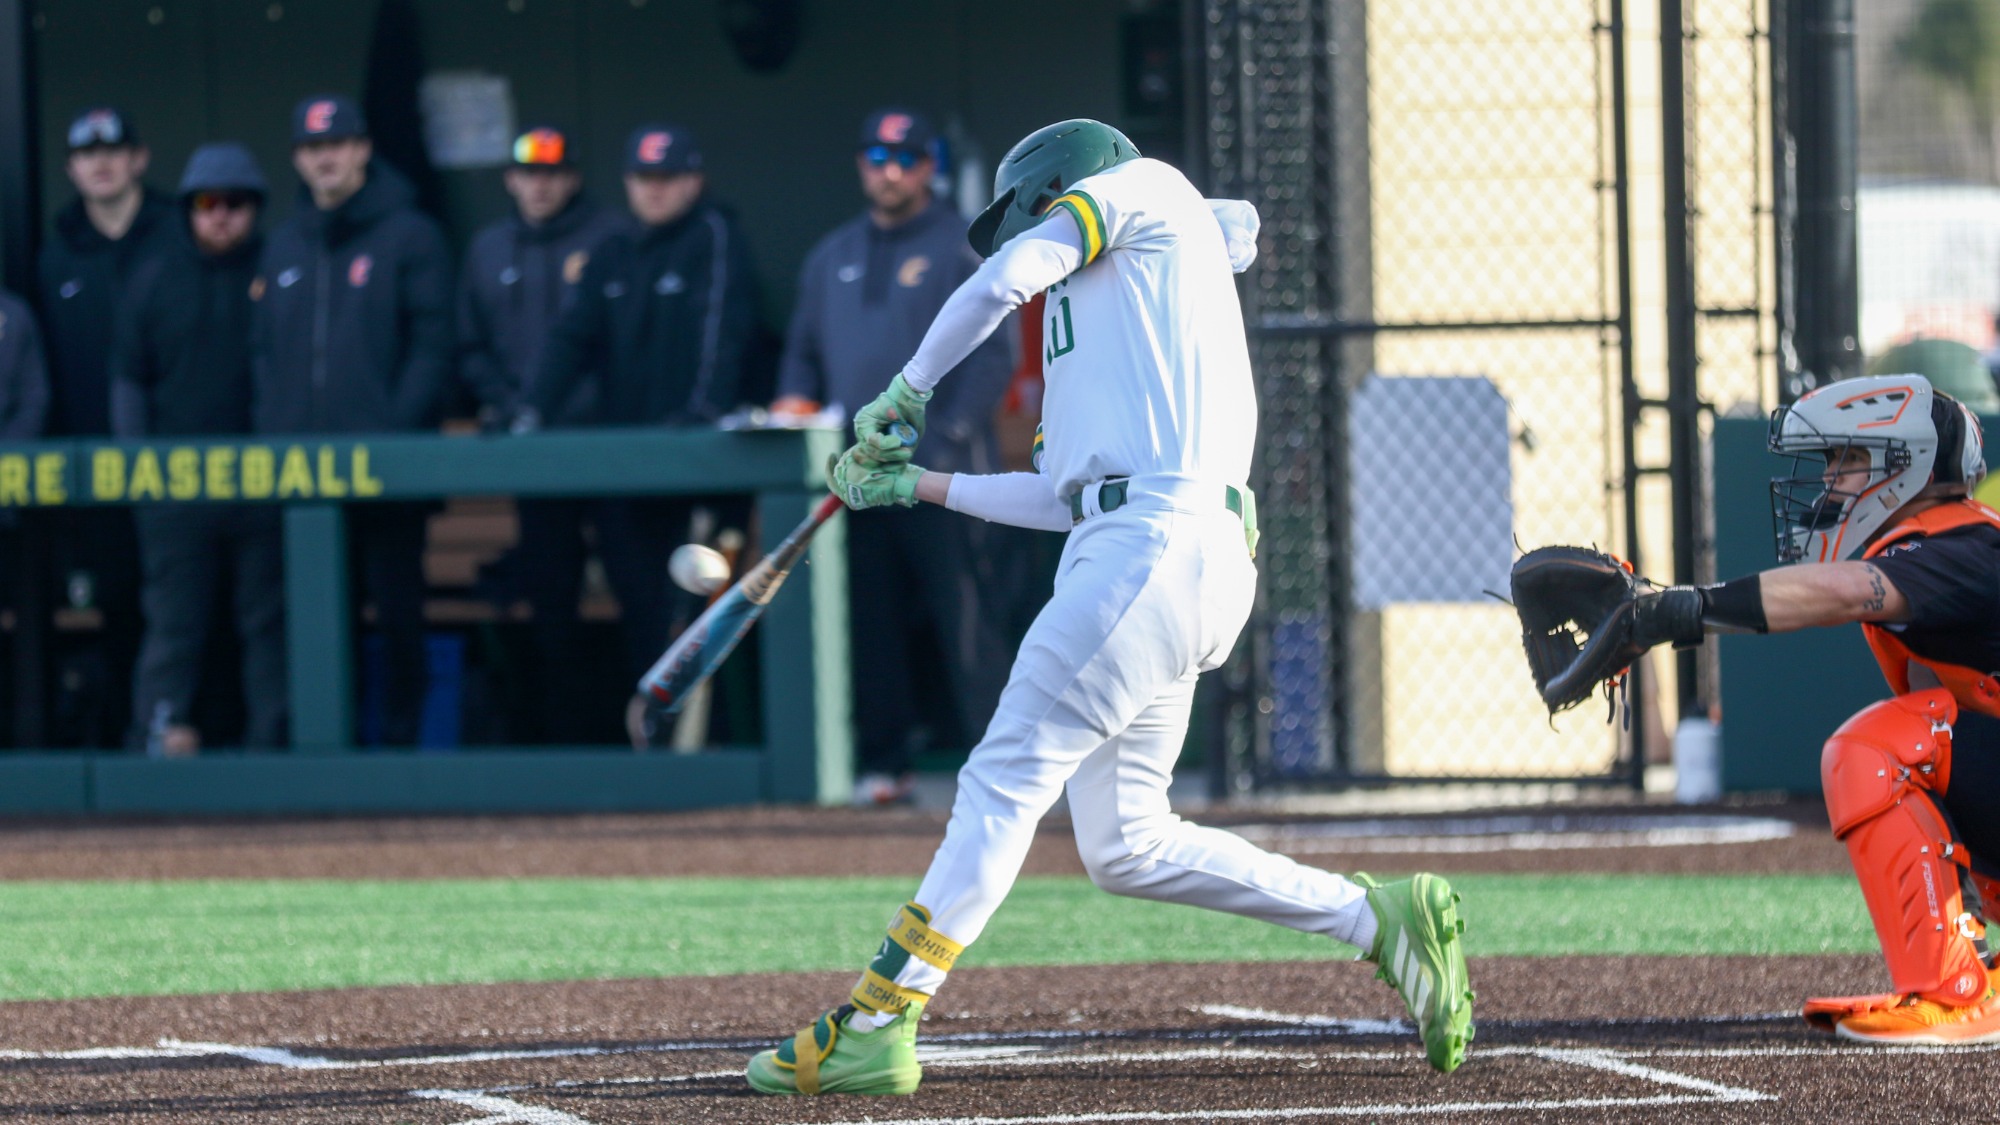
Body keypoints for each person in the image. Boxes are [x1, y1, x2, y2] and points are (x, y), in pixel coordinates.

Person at [745, 119, 1474, 1097]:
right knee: (1127, 843)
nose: (1024, 243)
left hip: (1154, 551)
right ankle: (1375, 919)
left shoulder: (1144, 190)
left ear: (1058, 186)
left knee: (1002, 778)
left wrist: (907, 387)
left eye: (1027, 219)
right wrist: (915, 484)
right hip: (1155, 554)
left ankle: (880, 1017)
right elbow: (1062, 495)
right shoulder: (1108, 312)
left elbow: (1001, 278)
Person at [1563, 372, 2000, 1044]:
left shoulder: (1963, 547)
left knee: (1872, 749)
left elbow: (1847, 590)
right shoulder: (1951, 547)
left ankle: (1953, 992)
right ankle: (1971, 970)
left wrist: (1686, 607)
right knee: (1937, 740)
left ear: (1904, 465)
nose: (1830, 482)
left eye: (1847, 460)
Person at [773, 108, 1016, 803]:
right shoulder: (831, 255)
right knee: (866, 621)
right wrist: (794, 405)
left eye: (905, 159)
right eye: (877, 157)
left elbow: (994, 355)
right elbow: (803, 355)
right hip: (860, 474)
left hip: (942, 472)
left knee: (965, 619)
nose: (889, 171)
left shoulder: (959, 246)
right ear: (860, 164)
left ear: (928, 167)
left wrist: (942, 442)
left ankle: (1005, 766)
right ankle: (884, 765)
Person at [523, 123, 760, 707]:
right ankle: (652, 736)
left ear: (694, 180)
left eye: (668, 177)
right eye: (644, 178)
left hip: (701, 469)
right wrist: (529, 407)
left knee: (699, 612)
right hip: (631, 467)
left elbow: (721, 336)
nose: (655, 191)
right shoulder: (614, 251)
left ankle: (708, 745)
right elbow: (570, 340)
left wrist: (702, 409)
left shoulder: (715, 234)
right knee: (640, 605)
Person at [251, 94, 454, 746]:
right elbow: (263, 353)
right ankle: (321, 754)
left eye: (337, 144)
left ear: (363, 149)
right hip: (301, 474)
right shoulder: (285, 241)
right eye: (312, 148)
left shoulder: (410, 232)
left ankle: (402, 754)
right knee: (314, 619)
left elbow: (432, 346)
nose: (326, 158)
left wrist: (392, 434)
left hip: (387, 469)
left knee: (397, 615)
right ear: (297, 159)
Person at [111, 143, 287, 754]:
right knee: (175, 623)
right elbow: (129, 377)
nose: (221, 216)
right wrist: (139, 470)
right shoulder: (154, 275)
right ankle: (157, 733)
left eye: (236, 204)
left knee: (267, 622)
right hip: (176, 482)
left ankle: (276, 743)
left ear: (255, 210)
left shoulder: (280, 269)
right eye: (208, 203)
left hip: (263, 478)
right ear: (188, 208)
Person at [458, 126, 629, 742]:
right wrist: (513, 407)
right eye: (529, 173)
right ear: (511, 178)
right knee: (549, 596)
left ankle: (636, 738)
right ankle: (562, 734)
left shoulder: (610, 237)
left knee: (634, 589)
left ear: (573, 177)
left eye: (553, 173)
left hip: (610, 448)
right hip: (533, 454)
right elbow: (470, 347)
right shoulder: (488, 248)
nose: (540, 184)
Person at [35, 107, 178, 747]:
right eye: (88, 155)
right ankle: (127, 735)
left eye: (115, 151)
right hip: (92, 470)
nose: (102, 163)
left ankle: (190, 733)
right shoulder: (56, 254)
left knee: (185, 607)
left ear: (140, 159)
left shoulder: (176, 236)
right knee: (115, 605)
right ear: (71, 169)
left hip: (176, 461)